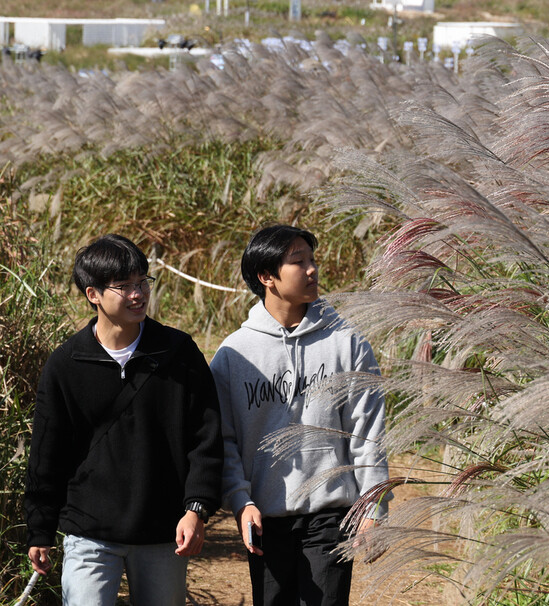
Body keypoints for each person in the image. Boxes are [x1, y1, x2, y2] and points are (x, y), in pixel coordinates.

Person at [24, 234, 223, 606]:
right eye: (124, 286)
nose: (138, 294)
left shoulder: (178, 353)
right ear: (93, 294)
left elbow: (205, 437)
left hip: (163, 532)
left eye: (142, 282)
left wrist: (196, 508)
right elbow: (47, 453)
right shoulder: (66, 364)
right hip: (89, 532)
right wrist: (40, 529)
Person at [211, 224, 391, 606]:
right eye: (298, 262)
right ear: (266, 277)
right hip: (264, 518)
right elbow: (224, 440)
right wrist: (241, 502)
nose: (312, 270)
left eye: (312, 260)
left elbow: (367, 432)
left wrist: (373, 506)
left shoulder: (348, 342)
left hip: (332, 513)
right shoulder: (233, 354)